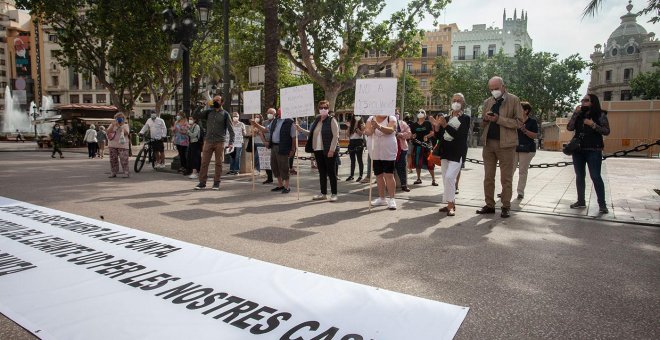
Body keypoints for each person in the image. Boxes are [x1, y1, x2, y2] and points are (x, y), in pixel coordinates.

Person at [476, 76, 523, 218]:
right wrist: (485, 119)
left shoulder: (514, 100)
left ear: (503, 86)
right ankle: (489, 205)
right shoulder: (487, 102)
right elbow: (482, 125)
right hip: (488, 143)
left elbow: (519, 123)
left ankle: (506, 206)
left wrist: (499, 119)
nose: (494, 91)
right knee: (488, 177)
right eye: (491, 89)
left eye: (496, 88)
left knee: (506, 178)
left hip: (506, 145)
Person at [567, 93, 611, 214]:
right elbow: (570, 128)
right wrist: (575, 114)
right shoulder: (579, 114)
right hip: (578, 150)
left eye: (586, 100)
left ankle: (602, 204)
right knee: (579, 176)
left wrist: (592, 124)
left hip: (593, 150)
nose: (583, 102)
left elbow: (606, 131)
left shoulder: (600, 114)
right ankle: (581, 201)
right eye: (582, 100)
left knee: (595, 176)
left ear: (593, 102)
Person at [430, 93, 470, 216]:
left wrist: (444, 125)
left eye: (459, 100)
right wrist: (437, 128)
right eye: (454, 100)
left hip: (457, 153)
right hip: (445, 152)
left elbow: (459, 136)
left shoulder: (465, 118)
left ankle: (451, 205)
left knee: (449, 177)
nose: (456, 102)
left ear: (463, 103)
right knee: (445, 179)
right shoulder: (445, 117)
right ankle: (450, 204)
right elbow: (439, 137)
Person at [297, 100, 340, 201]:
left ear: (328, 109)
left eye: (325, 108)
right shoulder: (317, 120)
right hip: (318, 150)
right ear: (318, 109)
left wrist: (332, 150)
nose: (323, 110)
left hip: (329, 150)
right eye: (321, 108)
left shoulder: (332, 119)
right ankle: (323, 193)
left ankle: (334, 194)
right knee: (322, 173)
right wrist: (300, 129)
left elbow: (336, 136)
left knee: (331, 173)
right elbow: (311, 133)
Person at [195, 96, 235, 190]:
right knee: (204, 162)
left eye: (217, 100)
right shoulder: (209, 112)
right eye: (214, 100)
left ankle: (216, 183)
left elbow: (231, 130)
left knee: (218, 163)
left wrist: (231, 142)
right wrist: (200, 107)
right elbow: (196, 115)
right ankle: (202, 183)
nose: (215, 101)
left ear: (222, 103)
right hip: (208, 141)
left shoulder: (225, 114)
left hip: (219, 142)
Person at [252, 107, 295, 194]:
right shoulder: (275, 121)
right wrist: (255, 124)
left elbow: (294, 137)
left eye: (280, 111)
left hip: (283, 147)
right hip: (274, 146)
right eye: (278, 111)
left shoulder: (290, 122)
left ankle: (286, 186)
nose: (279, 113)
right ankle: (280, 185)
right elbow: (266, 129)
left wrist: (293, 149)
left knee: (284, 167)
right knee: (274, 166)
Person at [364, 114, 398, 210]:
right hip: (375, 151)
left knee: (389, 175)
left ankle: (392, 199)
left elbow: (391, 130)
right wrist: (371, 129)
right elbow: (367, 132)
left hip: (388, 151)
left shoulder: (391, 118)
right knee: (378, 175)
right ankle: (382, 198)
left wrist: (378, 126)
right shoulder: (371, 118)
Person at [513, 101, 539, 200]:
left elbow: (534, 135)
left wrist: (523, 129)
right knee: (510, 170)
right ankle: (505, 191)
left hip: (527, 149)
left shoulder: (532, 122)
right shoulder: (514, 120)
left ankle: (520, 192)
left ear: (526, 111)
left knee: (522, 171)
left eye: (520, 109)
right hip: (514, 148)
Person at [409, 109, 438, 186]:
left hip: (427, 146)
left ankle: (433, 180)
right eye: (418, 112)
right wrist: (413, 136)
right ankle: (418, 179)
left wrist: (427, 136)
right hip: (417, 146)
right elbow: (411, 135)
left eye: (422, 112)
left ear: (425, 115)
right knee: (418, 163)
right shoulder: (414, 125)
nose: (420, 113)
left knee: (430, 163)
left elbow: (432, 133)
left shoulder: (428, 123)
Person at [106, 112, 131, 178]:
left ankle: (126, 172)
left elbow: (126, 133)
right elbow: (108, 132)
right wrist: (113, 125)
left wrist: (119, 126)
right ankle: (113, 172)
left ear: (123, 119)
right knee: (113, 160)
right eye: (117, 118)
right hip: (112, 145)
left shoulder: (125, 125)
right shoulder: (112, 124)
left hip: (123, 146)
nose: (119, 119)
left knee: (124, 159)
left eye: (121, 118)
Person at [395, 115, 412, 192]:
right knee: (389, 168)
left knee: (402, 166)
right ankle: (389, 185)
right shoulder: (385, 123)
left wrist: (400, 134)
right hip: (389, 149)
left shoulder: (402, 123)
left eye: (396, 112)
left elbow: (409, 134)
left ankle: (404, 185)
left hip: (402, 148)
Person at [346, 114, 365, 182]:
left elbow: (360, 134)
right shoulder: (351, 124)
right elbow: (348, 134)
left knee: (359, 159)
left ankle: (360, 175)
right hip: (351, 142)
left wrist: (357, 126)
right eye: (355, 115)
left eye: (358, 115)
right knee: (352, 160)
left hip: (359, 142)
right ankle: (352, 175)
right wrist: (349, 127)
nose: (357, 117)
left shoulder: (362, 124)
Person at [186, 115, 202, 179]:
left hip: (196, 143)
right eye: (189, 119)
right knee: (191, 157)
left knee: (195, 158)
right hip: (191, 143)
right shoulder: (190, 126)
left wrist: (188, 131)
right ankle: (194, 171)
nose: (189, 120)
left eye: (191, 119)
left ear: (194, 120)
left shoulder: (196, 126)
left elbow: (194, 135)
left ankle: (195, 172)